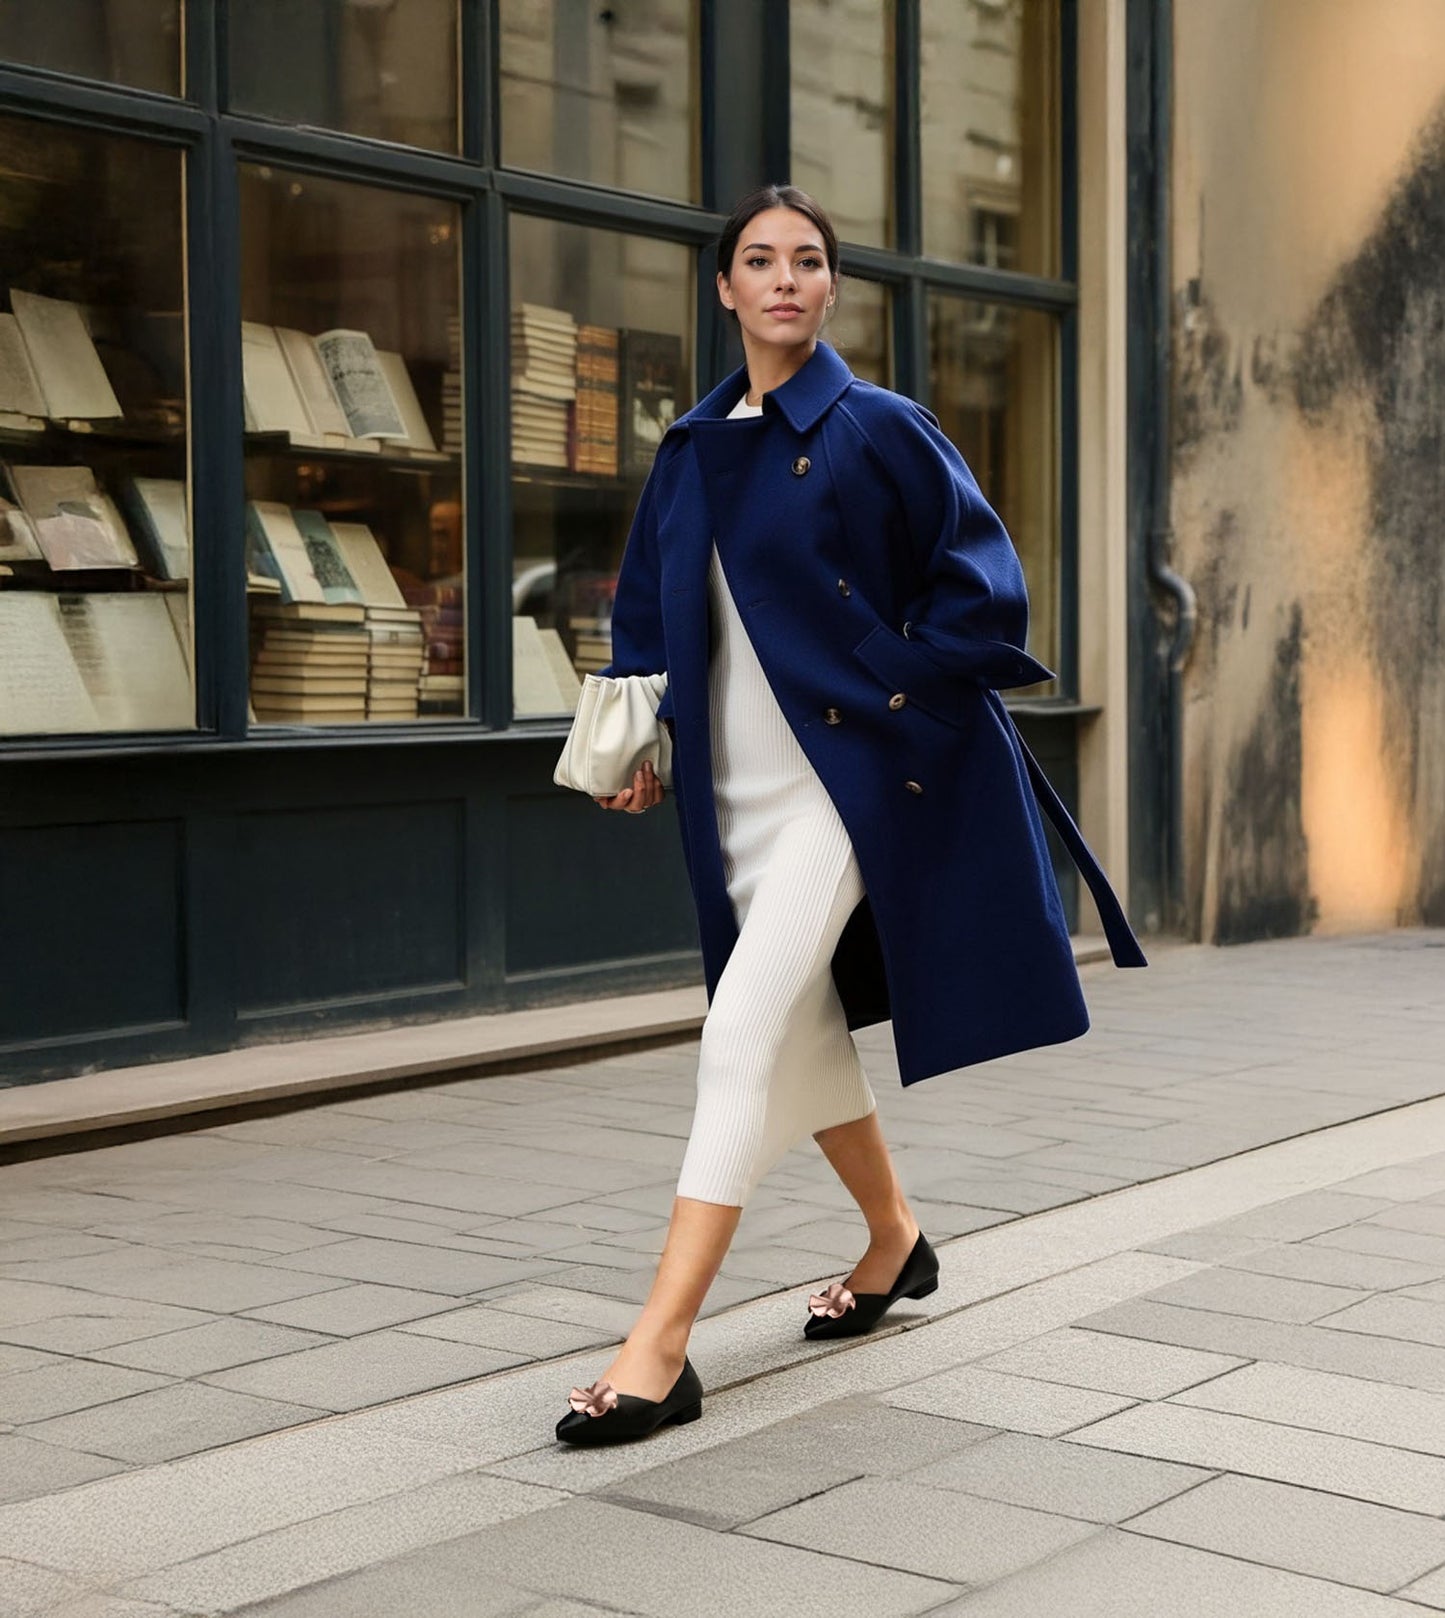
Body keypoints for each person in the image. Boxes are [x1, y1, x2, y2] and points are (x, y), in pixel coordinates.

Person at [554, 185, 1145, 1447]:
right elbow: (649, 616)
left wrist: (889, 681)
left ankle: (658, 1349)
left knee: (738, 1037)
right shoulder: (690, 447)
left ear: (830, 288)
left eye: (806, 261)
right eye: (757, 261)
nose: (781, 279)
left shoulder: (879, 425)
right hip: (734, 795)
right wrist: (635, 735)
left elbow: (982, 591)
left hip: (848, 786)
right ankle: (893, 1239)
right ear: (723, 289)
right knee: (803, 1035)